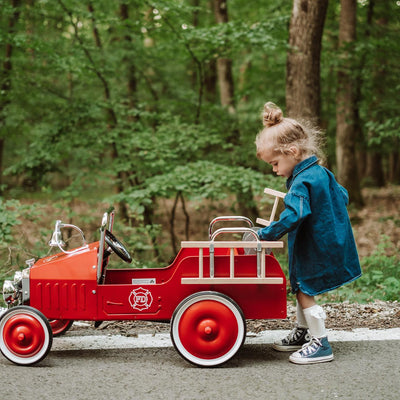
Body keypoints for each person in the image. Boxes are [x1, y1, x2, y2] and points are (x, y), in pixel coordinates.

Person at [255, 102, 361, 365]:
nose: (275, 170)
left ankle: (320, 343)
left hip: (315, 244)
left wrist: (267, 233)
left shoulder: (301, 181)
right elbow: (343, 196)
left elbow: (295, 214)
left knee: (303, 289)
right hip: (329, 239)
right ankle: (303, 333)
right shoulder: (321, 172)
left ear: (292, 151)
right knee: (302, 286)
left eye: (275, 163)